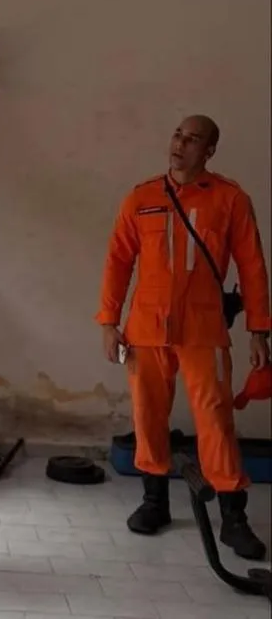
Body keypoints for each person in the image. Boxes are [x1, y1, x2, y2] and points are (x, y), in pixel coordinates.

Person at [97, 114, 270, 560]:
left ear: (209, 151)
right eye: (177, 134)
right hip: (146, 329)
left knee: (215, 419)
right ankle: (154, 501)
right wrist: (107, 321)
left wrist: (259, 329)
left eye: (194, 139)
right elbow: (118, 261)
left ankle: (234, 518)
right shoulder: (142, 197)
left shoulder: (230, 199)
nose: (181, 143)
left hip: (204, 329)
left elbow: (252, 267)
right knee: (148, 415)